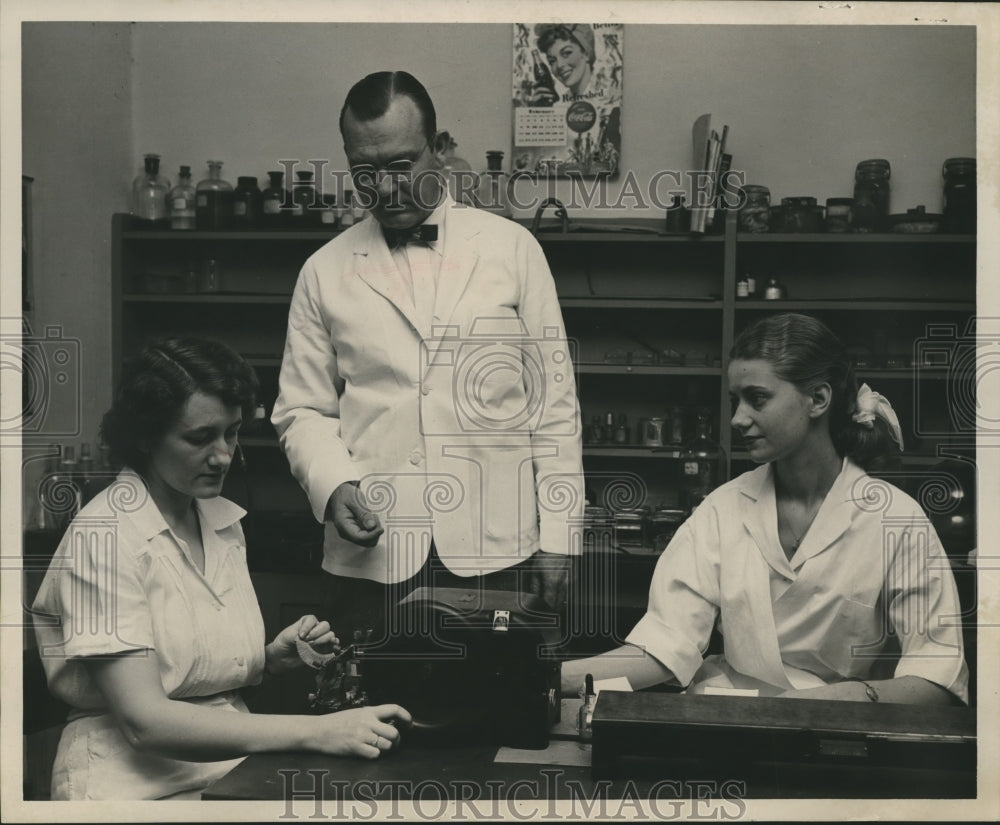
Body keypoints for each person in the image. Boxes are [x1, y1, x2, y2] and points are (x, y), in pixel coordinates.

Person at [271, 71, 583, 646]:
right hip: (372, 554)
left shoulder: (514, 250)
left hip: (497, 549)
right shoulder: (322, 270)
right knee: (363, 721)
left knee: (494, 717)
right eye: (365, 171)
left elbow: (554, 407)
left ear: (440, 150)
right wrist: (334, 484)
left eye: (400, 166)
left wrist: (561, 533)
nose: (384, 189)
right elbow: (301, 411)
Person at [32, 339, 411, 800]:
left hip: (228, 773)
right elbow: (144, 721)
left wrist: (268, 660)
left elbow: (190, 674)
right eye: (200, 438)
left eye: (231, 432)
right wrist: (319, 731)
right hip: (127, 787)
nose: (223, 455)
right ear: (146, 436)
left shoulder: (220, 521)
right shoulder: (105, 535)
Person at [562, 314, 968, 705]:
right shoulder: (721, 510)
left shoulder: (896, 518)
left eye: (757, 399)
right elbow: (664, 646)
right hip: (729, 716)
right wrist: (551, 678)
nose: (738, 419)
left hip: (841, 725)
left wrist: (833, 700)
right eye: (735, 401)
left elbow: (938, 675)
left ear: (819, 399)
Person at [535, 23, 596, 98]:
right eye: (552, 61)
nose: (559, 65)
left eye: (566, 53)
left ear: (586, 53)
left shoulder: (609, 93)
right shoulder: (559, 104)